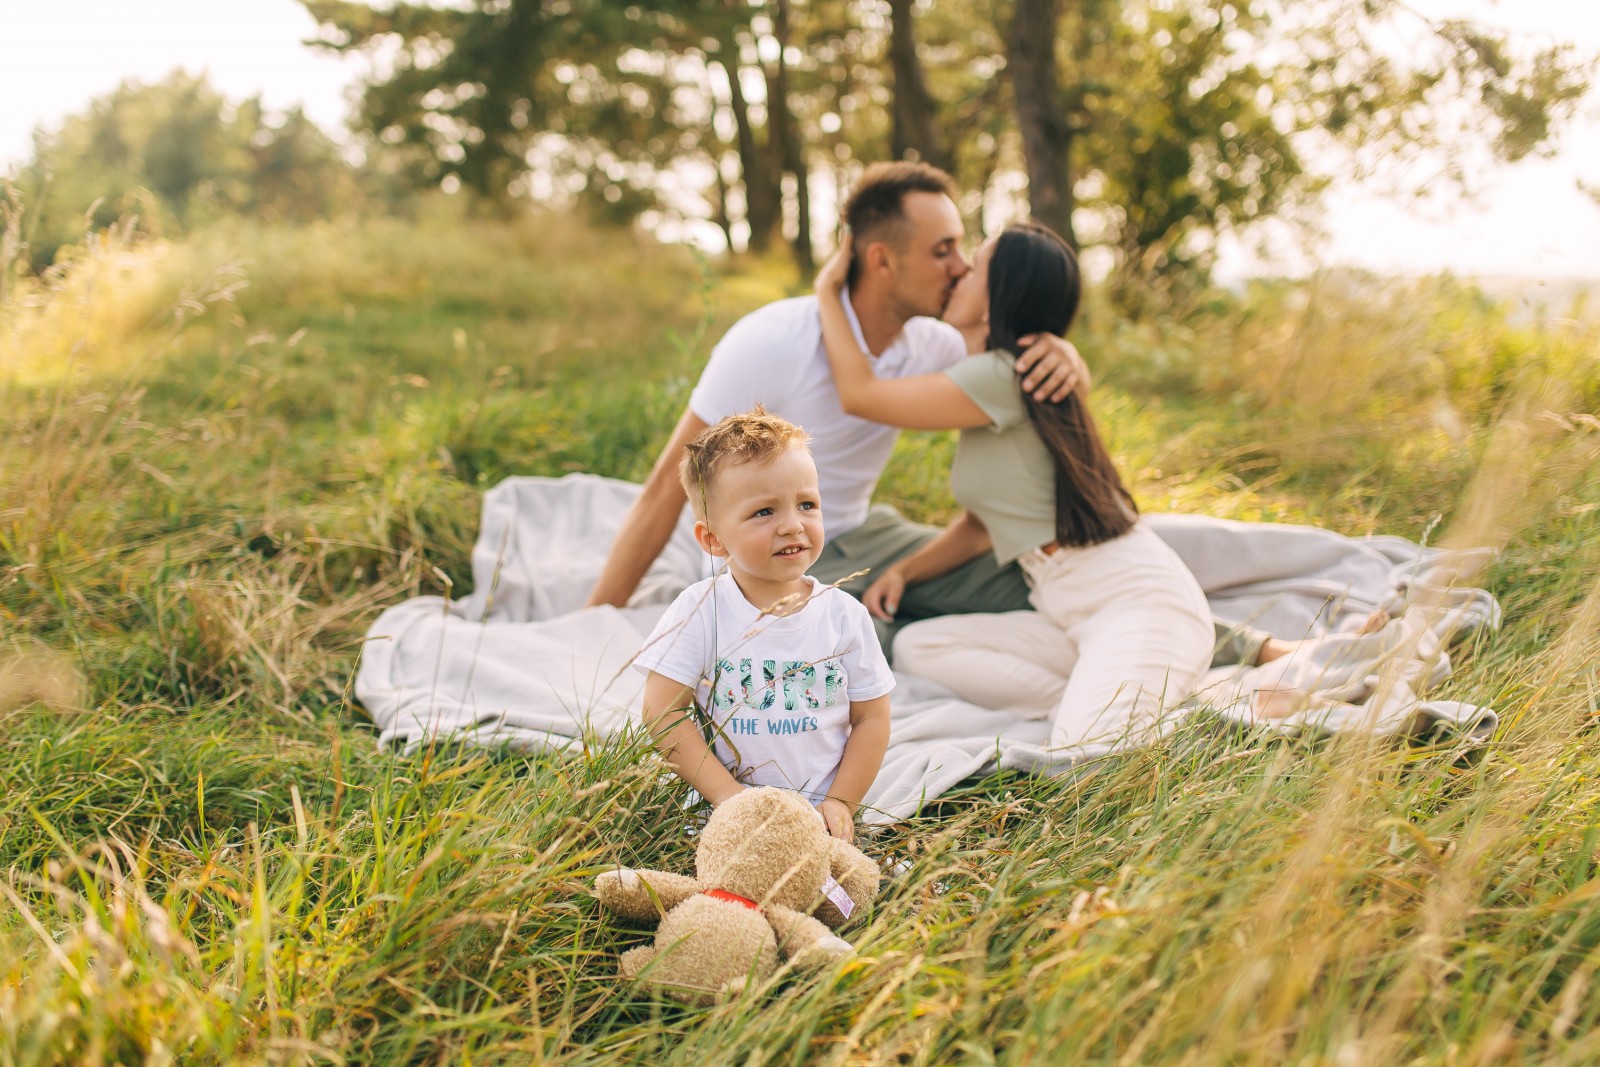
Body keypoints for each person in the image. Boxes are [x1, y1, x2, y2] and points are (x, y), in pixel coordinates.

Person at [586, 159, 1288, 668]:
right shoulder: (772, 340)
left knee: (1042, 572)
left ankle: (1248, 645)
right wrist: (596, 621)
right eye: (943, 249)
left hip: (868, 534)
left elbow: (1014, 359)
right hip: (781, 545)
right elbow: (665, 487)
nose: (960, 267)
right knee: (841, 642)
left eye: (964, 250)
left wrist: (1070, 359)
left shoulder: (934, 340)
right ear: (883, 260)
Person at [813, 220, 1212, 756]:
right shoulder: (997, 374)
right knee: (917, 644)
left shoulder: (999, 377)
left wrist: (827, 291)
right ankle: (1108, 701)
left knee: (1085, 756)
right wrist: (904, 571)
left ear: (997, 297)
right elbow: (981, 527)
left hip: (1136, 602)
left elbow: (860, 394)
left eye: (974, 266)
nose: (958, 272)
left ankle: (1214, 709)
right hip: (1066, 614)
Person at [632, 410, 893, 843]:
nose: (792, 524)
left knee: (841, 901)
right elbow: (662, 711)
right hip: (727, 817)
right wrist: (727, 796)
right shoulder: (701, 610)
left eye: (806, 504)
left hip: (821, 821)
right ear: (713, 539)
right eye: (764, 512)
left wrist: (843, 802)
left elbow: (872, 718)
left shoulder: (843, 615)